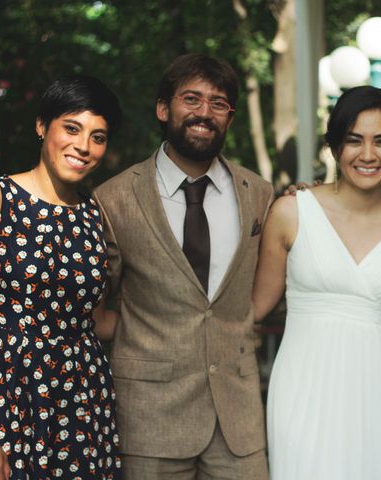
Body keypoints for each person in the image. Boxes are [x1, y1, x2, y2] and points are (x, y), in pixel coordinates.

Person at [93, 53, 273, 479]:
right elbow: (92, 307)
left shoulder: (259, 195)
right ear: (163, 108)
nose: (204, 112)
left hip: (238, 420)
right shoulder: (113, 199)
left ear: (229, 117)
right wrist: (145, 332)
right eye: (191, 98)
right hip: (149, 419)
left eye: (218, 103)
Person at [0, 75, 123, 480]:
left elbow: (92, 321)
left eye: (98, 137)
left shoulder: (96, 216)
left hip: (82, 406)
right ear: (42, 127)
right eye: (72, 128)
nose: (83, 146)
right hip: (1, 404)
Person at [253, 86, 381, 479]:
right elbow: (251, 311)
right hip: (303, 390)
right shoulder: (292, 211)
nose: (367, 155)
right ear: (333, 147)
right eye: (353, 140)